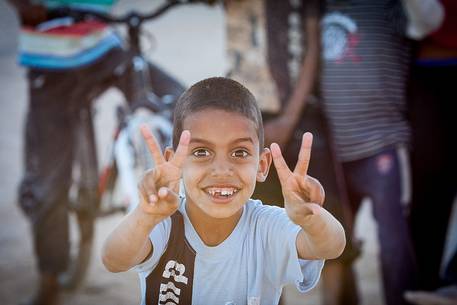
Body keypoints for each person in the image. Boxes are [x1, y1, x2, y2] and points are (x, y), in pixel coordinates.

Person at [101, 77, 346, 305]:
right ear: (174, 161)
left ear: (261, 166)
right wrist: (145, 216)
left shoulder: (266, 228)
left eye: (239, 153)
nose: (221, 170)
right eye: (201, 152)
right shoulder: (163, 223)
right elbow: (113, 260)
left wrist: (312, 218)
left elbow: (331, 246)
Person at [7, 1, 185, 304]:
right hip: (50, 54)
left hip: (103, 46)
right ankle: (49, 279)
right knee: (48, 183)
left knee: (186, 106)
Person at [225, 1, 359, 304]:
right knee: (260, 226)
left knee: (323, 210)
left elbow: (311, 47)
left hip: (300, 113)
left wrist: (288, 119)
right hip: (248, 115)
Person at [319, 1, 418, 304]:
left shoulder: (388, 6)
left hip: (381, 143)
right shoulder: (320, 7)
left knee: (393, 241)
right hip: (334, 151)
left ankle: (401, 299)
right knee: (337, 241)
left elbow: (426, 23)